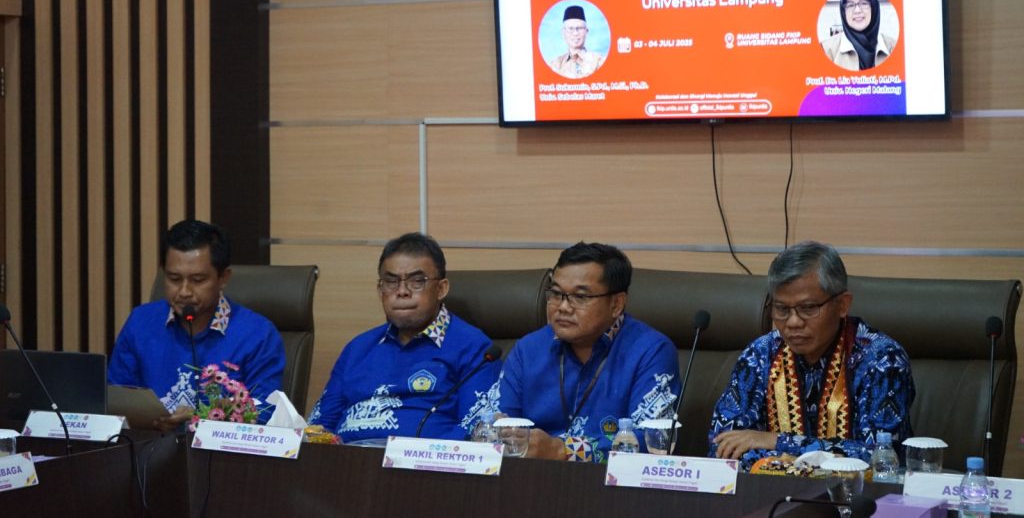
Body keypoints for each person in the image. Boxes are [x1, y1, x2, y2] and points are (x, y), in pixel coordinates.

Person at [709, 241, 914, 470]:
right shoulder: (760, 354)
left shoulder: (883, 360)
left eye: (808, 308)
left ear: (842, 305)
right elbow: (724, 445)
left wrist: (778, 441)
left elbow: (881, 457)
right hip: (769, 490)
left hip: (854, 492)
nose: (793, 322)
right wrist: (808, 460)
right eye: (782, 309)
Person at [492, 242, 680, 463]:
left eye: (580, 297)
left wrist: (564, 450)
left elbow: (654, 441)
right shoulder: (528, 349)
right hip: (531, 476)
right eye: (556, 293)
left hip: (608, 482)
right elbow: (494, 424)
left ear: (616, 304)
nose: (563, 307)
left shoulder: (651, 351)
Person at [307, 232, 499, 442]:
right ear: (380, 290)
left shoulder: (474, 349)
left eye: (417, 281)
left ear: (441, 288)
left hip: (424, 461)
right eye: (391, 282)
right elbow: (320, 424)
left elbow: (477, 429)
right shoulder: (358, 348)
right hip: (348, 459)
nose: (402, 291)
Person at [108, 220, 285, 431]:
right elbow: (115, 399)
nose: (184, 291)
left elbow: (264, 414)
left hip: (221, 450)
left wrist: (200, 419)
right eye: (174, 279)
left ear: (223, 278)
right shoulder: (141, 322)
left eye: (198, 280)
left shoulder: (258, 335)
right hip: (147, 445)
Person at [821, 0, 897, 71]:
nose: (857, 10)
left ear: (874, 8)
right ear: (843, 12)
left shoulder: (894, 47)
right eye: (850, 5)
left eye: (864, 3)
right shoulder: (826, 50)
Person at [548, 5, 606, 79]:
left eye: (579, 28)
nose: (575, 33)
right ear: (563, 33)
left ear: (586, 31)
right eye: (570, 28)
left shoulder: (599, 61)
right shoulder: (555, 65)